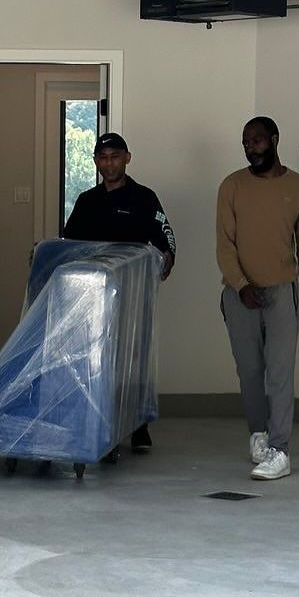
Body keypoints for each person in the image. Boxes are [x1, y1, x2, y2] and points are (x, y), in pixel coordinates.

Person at [216, 116, 299, 480]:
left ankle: (281, 450)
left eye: (258, 140)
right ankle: (259, 435)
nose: (251, 147)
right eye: (246, 142)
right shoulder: (231, 186)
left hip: (281, 293)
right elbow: (225, 245)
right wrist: (241, 284)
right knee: (249, 372)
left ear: (275, 139)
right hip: (239, 294)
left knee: (280, 373)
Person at [63, 132, 176, 454]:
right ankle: (102, 423)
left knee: (135, 358)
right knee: (100, 360)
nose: (109, 163)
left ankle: (139, 425)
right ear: (96, 162)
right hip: (95, 298)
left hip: (134, 294)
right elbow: (70, 245)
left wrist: (167, 258)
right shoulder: (87, 201)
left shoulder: (144, 198)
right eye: (103, 158)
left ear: (127, 158)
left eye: (115, 156)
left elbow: (166, 236)